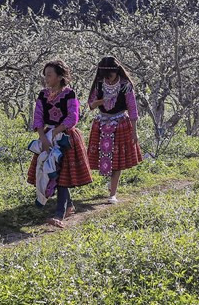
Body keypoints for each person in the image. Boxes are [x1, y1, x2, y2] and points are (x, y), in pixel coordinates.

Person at [26, 60, 92, 227]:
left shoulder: (69, 94)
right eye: (45, 75)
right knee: (54, 171)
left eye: (49, 75)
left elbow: (73, 116)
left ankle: (59, 214)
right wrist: (43, 138)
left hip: (65, 136)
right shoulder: (42, 95)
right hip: (47, 136)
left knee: (62, 175)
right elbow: (38, 117)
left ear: (60, 76)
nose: (46, 78)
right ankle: (69, 206)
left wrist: (56, 132)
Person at [87, 56, 143, 203]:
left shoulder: (125, 86)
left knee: (117, 159)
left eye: (110, 75)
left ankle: (112, 193)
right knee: (103, 156)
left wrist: (134, 131)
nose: (108, 79)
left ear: (117, 71)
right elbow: (91, 105)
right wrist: (101, 101)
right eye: (105, 76)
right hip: (101, 123)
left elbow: (132, 109)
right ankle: (108, 187)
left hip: (120, 124)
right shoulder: (99, 85)